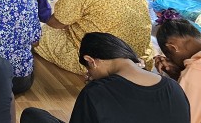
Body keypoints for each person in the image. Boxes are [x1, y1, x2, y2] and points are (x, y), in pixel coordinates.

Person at [21, 33, 191, 123]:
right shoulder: (173, 87)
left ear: (91, 61)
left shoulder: (96, 93)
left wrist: (96, 88)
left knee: (33, 116)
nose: (88, 75)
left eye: (88, 69)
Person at [156, 14, 201, 123]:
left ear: (173, 47)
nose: (171, 61)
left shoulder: (191, 75)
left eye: (169, 57)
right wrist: (178, 74)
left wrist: (181, 78)